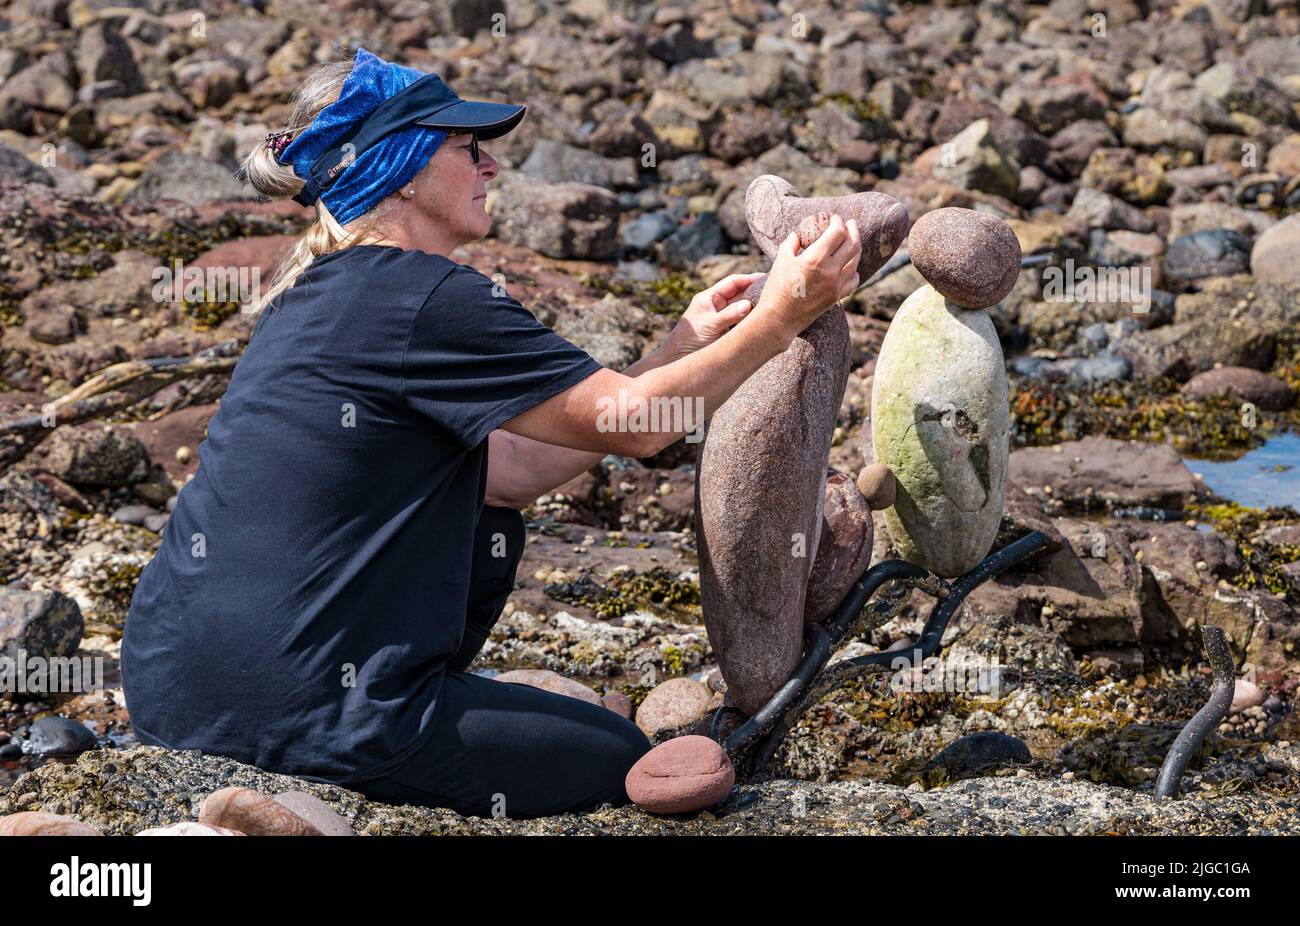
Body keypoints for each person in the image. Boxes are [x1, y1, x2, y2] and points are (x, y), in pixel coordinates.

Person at [120, 47, 863, 819]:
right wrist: (784, 316)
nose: (492, 165)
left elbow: (507, 471)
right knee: (620, 761)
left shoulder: (315, 294)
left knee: (487, 513)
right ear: (404, 168)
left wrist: (680, 347)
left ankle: (404, 707)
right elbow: (640, 425)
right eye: (465, 147)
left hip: (170, 688)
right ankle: (381, 732)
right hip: (300, 709)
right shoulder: (426, 293)